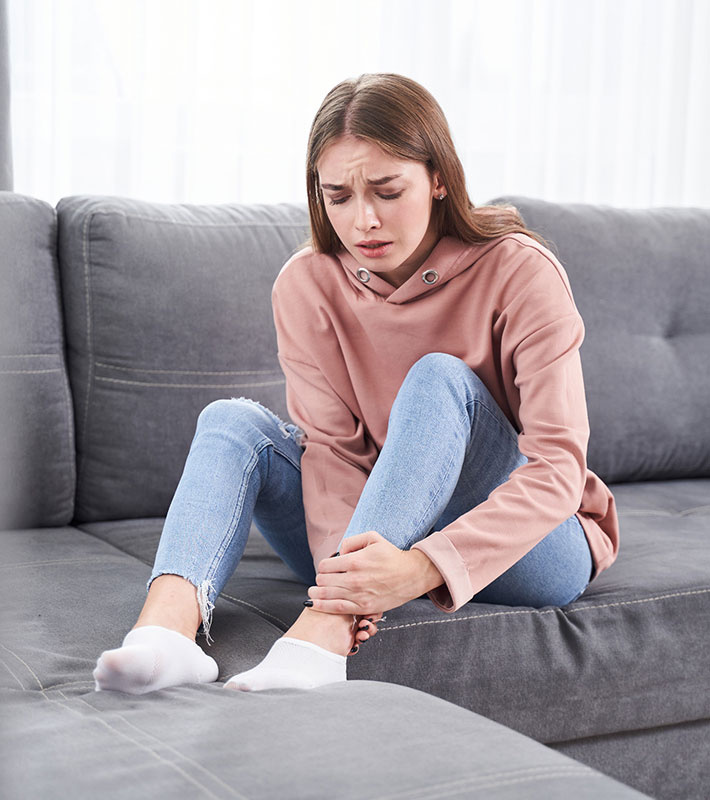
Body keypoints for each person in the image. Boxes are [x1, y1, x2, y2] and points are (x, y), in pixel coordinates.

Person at [93, 72, 620, 695]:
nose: (362, 219)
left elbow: (558, 468)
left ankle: (324, 633)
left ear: (439, 178)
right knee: (232, 423)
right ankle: (168, 632)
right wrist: (362, 571)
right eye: (337, 196)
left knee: (439, 378)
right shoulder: (307, 283)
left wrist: (414, 570)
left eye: (387, 190)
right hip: (367, 532)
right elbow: (334, 453)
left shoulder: (519, 271)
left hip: (532, 544)